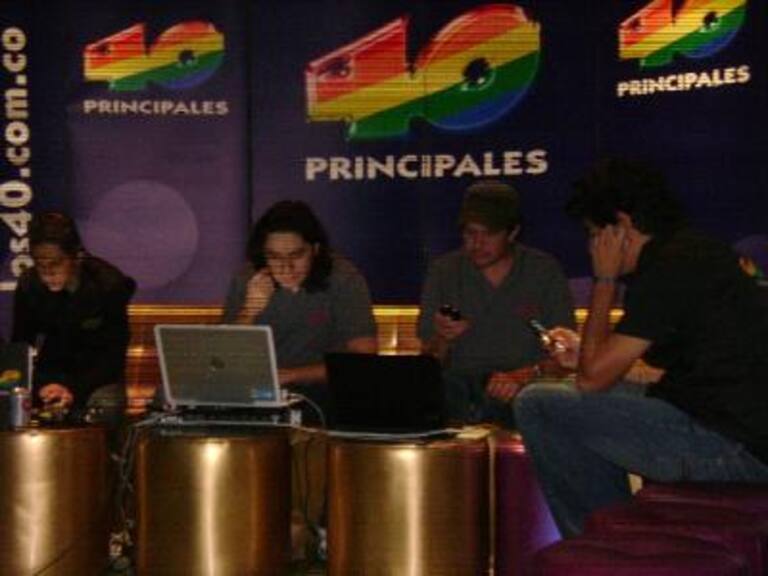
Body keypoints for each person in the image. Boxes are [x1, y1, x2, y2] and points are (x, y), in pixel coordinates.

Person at [514, 158, 768, 537]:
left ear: (621, 226)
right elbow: (659, 373)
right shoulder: (694, 253)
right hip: (732, 429)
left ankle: (600, 544)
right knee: (566, 394)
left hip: (734, 447)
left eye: (594, 234)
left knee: (539, 404)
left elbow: (592, 381)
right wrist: (585, 353)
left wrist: (604, 280)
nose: (592, 246)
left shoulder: (667, 269)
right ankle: (613, 537)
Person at [418, 180, 574, 424]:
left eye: (489, 234)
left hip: (525, 387)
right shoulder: (444, 271)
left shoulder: (543, 271)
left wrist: (522, 376)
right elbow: (429, 360)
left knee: (536, 401)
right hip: (459, 390)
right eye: (470, 233)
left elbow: (566, 356)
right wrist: (443, 337)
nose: (477, 244)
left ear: (512, 233)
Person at [222, 200, 377, 400]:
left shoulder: (343, 278)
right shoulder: (249, 278)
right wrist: (249, 311)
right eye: (275, 257)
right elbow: (223, 359)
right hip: (260, 393)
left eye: (296, 256)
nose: (286, 267)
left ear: (315, 249)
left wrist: (294, 375)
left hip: (327, 393)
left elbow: (364, 358)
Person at [11, 211, 136, 420]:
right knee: (13, 394)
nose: (48, 272)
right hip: (48, 376)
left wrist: (73, 389)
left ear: (76, 257)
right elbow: (21, 347)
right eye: (40, 264)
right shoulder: (29, 285)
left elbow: (112, 356)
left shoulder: (108, 285)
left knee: (107, 402)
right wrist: (42, 385)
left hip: (95, 377)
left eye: (55, 263)